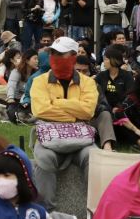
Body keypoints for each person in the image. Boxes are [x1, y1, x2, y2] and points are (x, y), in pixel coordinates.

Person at [23, 35, 99, 202]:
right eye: (53, 54)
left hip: (81, 139)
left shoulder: (88, 83)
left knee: (94, 158)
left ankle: (94, 209)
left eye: (61, 54)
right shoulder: (39, 81)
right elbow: (40, 110)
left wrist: (57, 102)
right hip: (49, 136)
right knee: (44, 158)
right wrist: (74, 114)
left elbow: (88, 112)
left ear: (73, 57)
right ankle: (45, 212)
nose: (55, 58)